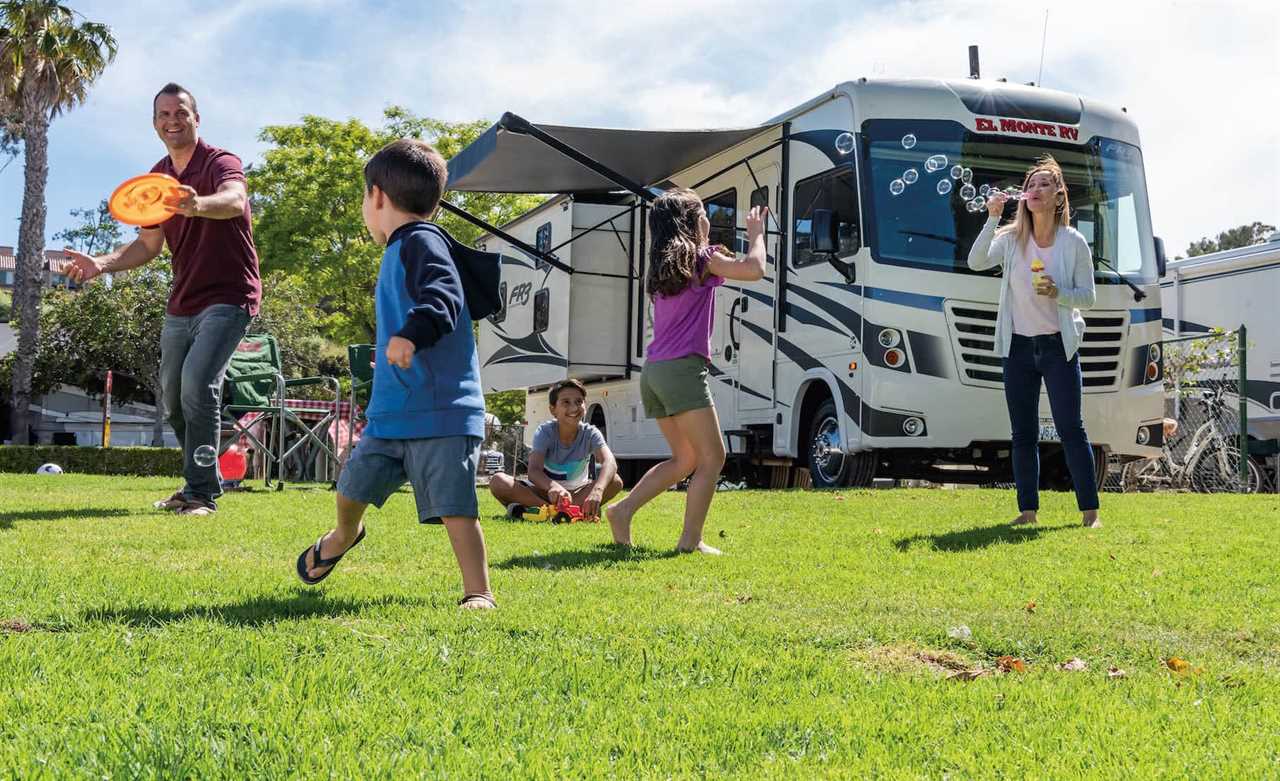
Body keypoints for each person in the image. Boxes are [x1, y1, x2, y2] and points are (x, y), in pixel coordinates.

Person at [294, 138, 495, 609]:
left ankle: (477, 592)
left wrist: (410, 335)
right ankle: (345, 534)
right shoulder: (403, 249)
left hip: (443, 411)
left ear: (377, 195)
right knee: (351, 488)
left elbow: (444, 296)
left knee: (456, 509)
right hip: (392, 413)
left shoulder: (420, 242)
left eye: (363, 199)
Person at [66, 83, 261, 516]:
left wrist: (198, 204)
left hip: (230, 295)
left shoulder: (219, 161)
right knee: (173, 397)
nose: (172, 121)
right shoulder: (156, 179)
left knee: (198, 385)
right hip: (182, 302)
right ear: (154, 122)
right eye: (163, 114)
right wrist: (102, 263)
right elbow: (147, 245)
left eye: (181, 112)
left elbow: (234, 201)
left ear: (197, 117)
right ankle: (196, 483)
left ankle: (202, 495)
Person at [605, 189, 767, 552]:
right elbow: (754, 270)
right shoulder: (701, 258)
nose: (709, 219)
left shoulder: (664, 270)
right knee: (713, 458)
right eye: (705, 213)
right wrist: (756, 234)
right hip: (681, 371)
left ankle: (622, 510)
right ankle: (690, 541)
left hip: (655, 373)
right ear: (694, 222)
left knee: (686, 458)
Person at [967, 155, 1101, 528]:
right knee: (1022, 433)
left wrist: (1059, 292)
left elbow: (1088, 297)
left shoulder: (1073, 242)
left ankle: (1090, 513)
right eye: (1031, 184)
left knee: (1071, 429)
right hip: (1019, 348)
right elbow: (976, 261)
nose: (1036, 189)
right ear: (1023, 195)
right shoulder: (1011, 239)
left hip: (1059, 347)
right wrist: (993, 217)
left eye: (1044, 183)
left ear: (1059, 196)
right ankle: (1028, 512)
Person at [488, 379, 623, 520]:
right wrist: (553, 487)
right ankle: (563, 512)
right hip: (544, 492)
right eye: (566, 402)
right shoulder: (545, 431)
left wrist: (597, 490)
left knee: (615, 481)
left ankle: (536, 511)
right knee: (498, 481)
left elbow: (610, 462)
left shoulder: (591, 433)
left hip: (576, 493)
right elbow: (534, 471)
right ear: (553, 410)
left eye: (579, 401)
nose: (574, 407)